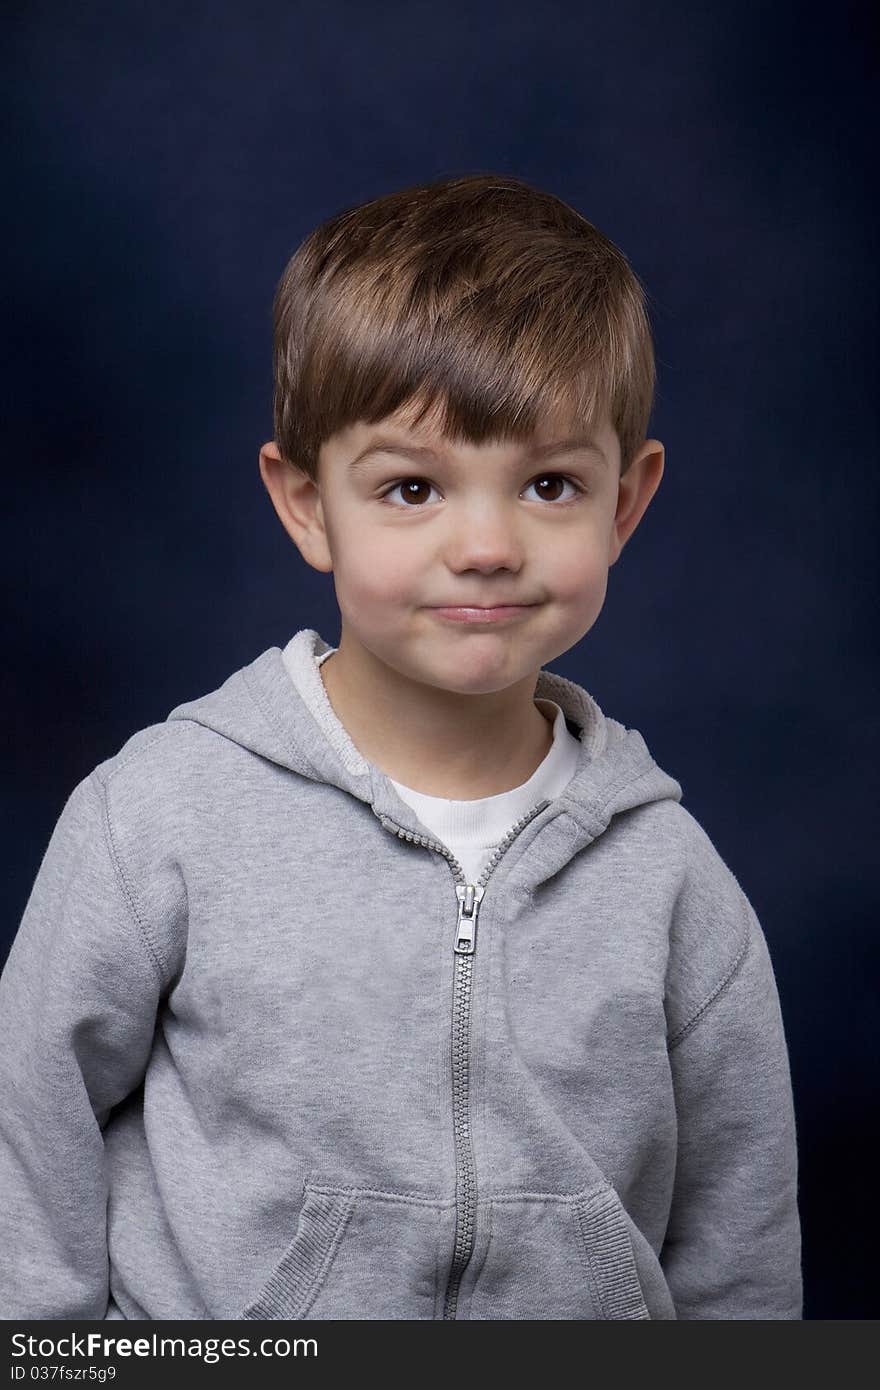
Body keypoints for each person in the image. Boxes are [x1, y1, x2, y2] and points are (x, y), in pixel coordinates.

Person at [0, 172, 802, 1320]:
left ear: (625, 503)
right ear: (308, 504)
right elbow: (26, 1126)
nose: (484, 544)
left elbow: (740, 1245)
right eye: (413, 486)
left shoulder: (674, 885)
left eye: (548, 483)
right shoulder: (160, 815)